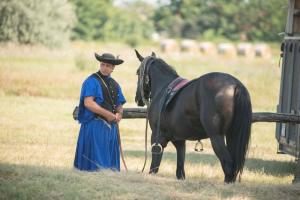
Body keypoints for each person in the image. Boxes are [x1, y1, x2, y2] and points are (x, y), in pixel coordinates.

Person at [74, 52, 126, 171]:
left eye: (108, 65)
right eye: (102, 64)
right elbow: (88, 103)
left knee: (111, 169)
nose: (104, 67)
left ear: (113, 68)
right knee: (94, 168)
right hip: (94, 126)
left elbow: (119, 104)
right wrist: (108, 114)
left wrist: (119, 114)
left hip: (111, 129)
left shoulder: (115, 84)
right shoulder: (91, 81)